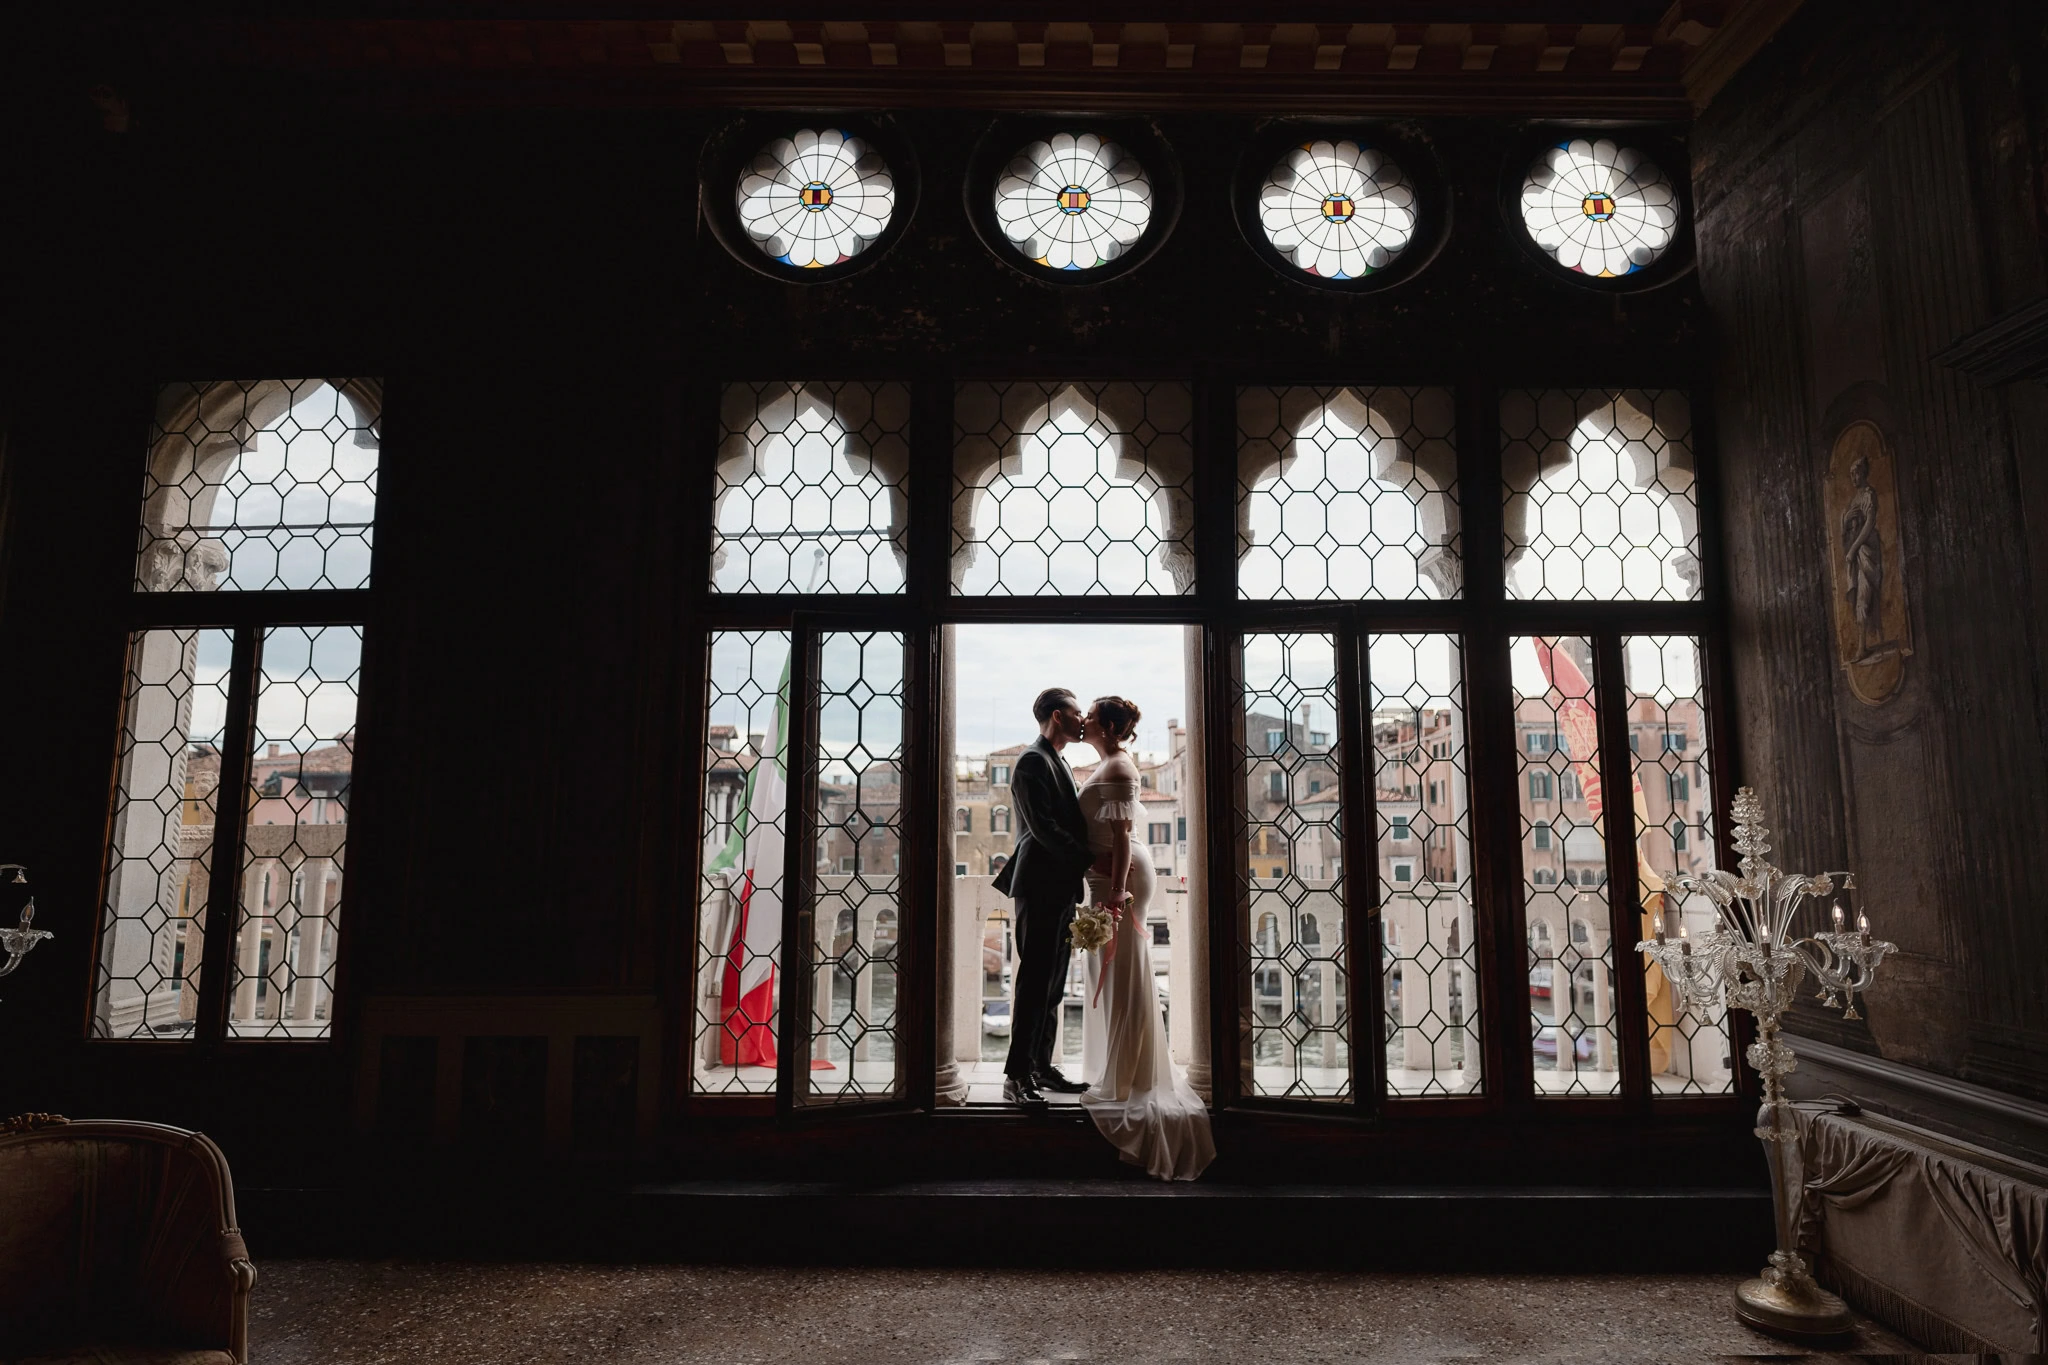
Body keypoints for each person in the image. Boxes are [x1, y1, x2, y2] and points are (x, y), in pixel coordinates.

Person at [1074, 695, 1215, 1181]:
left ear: (1109, 726)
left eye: (1091, 716)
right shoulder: (1108, 763)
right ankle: (1115, 1067)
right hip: (1109, 876)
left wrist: (1116, 896)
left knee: (1123, 970)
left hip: (1120, 877)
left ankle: (1130, 1076)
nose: (1084, 721)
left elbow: (1124, 832)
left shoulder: (1117, 769)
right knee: (1110, 972)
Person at [991, 687, 1095, 1104]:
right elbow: (1043, 828)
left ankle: (1041, 1065)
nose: (1082, 719)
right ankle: (1016, 1076)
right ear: (1057, 716)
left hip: (1060, 886)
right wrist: (1091, 861)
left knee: (1052, 987)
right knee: (1035, 984)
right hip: (1038, 885)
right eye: (1075, 713)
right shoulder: (1032, 762)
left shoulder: (1059, 761)